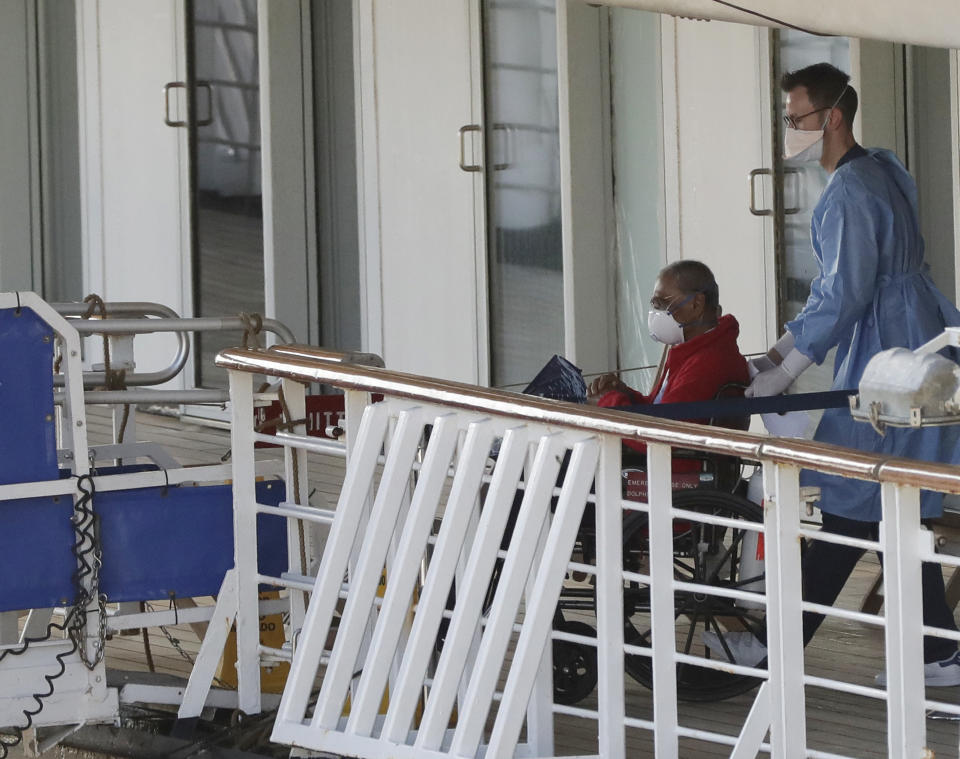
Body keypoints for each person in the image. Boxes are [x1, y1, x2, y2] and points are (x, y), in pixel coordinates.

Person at [705, 63, 960, 684]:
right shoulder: (880, 168)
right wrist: (781, 351)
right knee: (885, 502)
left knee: (858, 499)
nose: (789, 128)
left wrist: (784, 367)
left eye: (796, 117)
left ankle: (774, 648)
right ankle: (940, 651)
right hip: (911, 343)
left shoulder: (849, 190)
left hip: (892, 358)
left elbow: (843, 293)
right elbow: (839, 289)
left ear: (832, 117)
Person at [588, 260, 749, 442]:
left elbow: (660, 434)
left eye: (661, 303)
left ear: (696, 304)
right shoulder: (695, 351)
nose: (656, 312)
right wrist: (627, 396)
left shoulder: (709, 361)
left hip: (674, 466)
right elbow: (660, 410)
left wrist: (607, 403)